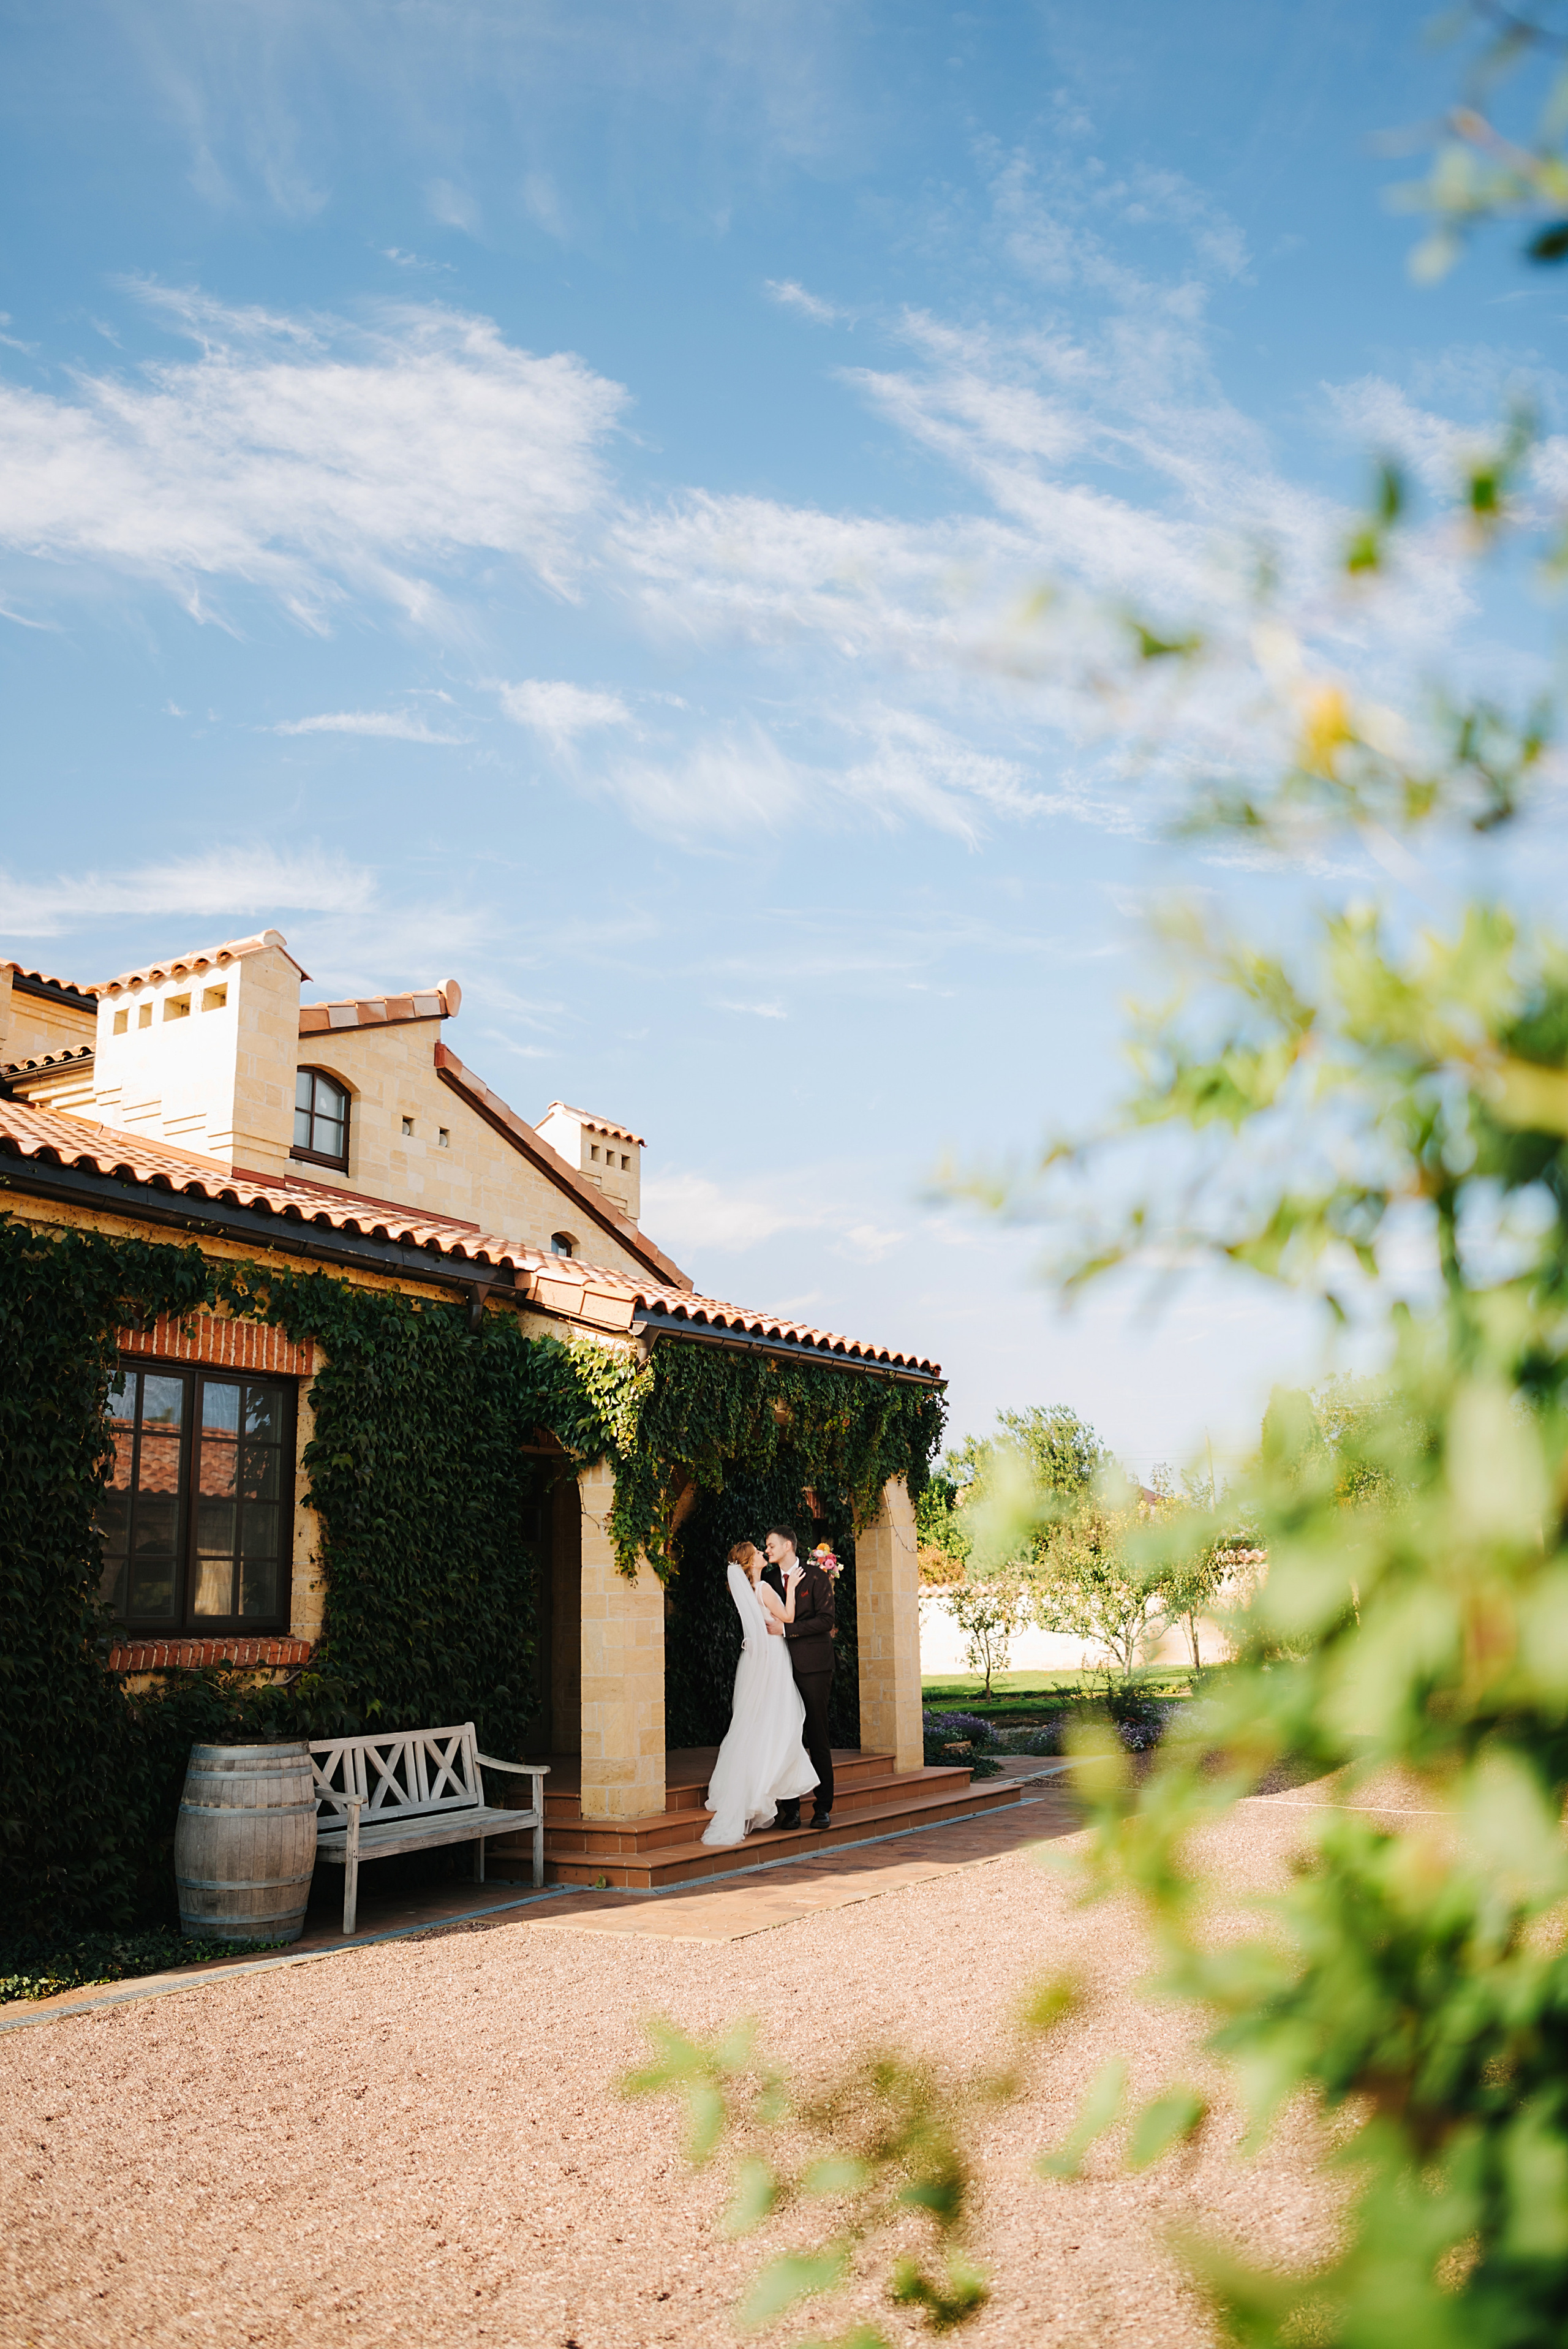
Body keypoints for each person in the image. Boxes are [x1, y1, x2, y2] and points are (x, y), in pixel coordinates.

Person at [700, 1541, 820, 1847]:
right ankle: (775, 1795)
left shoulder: (743, 1592)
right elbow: (789, 1617)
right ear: (751, 1562)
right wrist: (792, 1587)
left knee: (756, 1723)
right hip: (773, 1657)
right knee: (782, 1721)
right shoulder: (764, 1587)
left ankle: (762, 1791)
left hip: (754, 1661)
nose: (761, 1555)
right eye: (757, 1552)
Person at [761, 1523, 835, 1829]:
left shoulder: (817, 1577)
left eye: (771, 1545)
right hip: (780, 1669)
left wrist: (787, 1630)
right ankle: (790, 1810)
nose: (767, 1551)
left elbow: (826, 1620)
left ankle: (823, 1807)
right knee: (787, 1738)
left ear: (788, 1546)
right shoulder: (766, 1581)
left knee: (817, 1736)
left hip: (814, 1667)